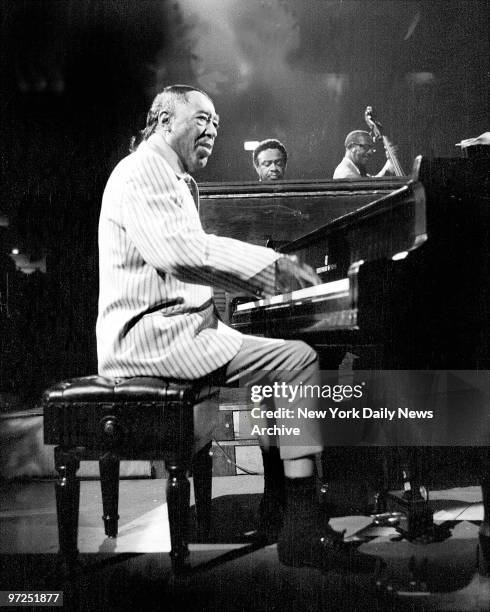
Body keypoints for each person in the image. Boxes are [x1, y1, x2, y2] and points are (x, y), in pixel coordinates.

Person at [97, 84, 377, 573]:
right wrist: (275, 267)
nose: (212, 131)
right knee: (298, 359)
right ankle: (302, 527)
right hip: (152, 340)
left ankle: (281, 505)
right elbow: (180, 253)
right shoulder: (143, 170)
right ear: (163, 121)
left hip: (173, 331)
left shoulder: (171, 176)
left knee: (278, 364)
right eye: (201, 119)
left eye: (217, 124)